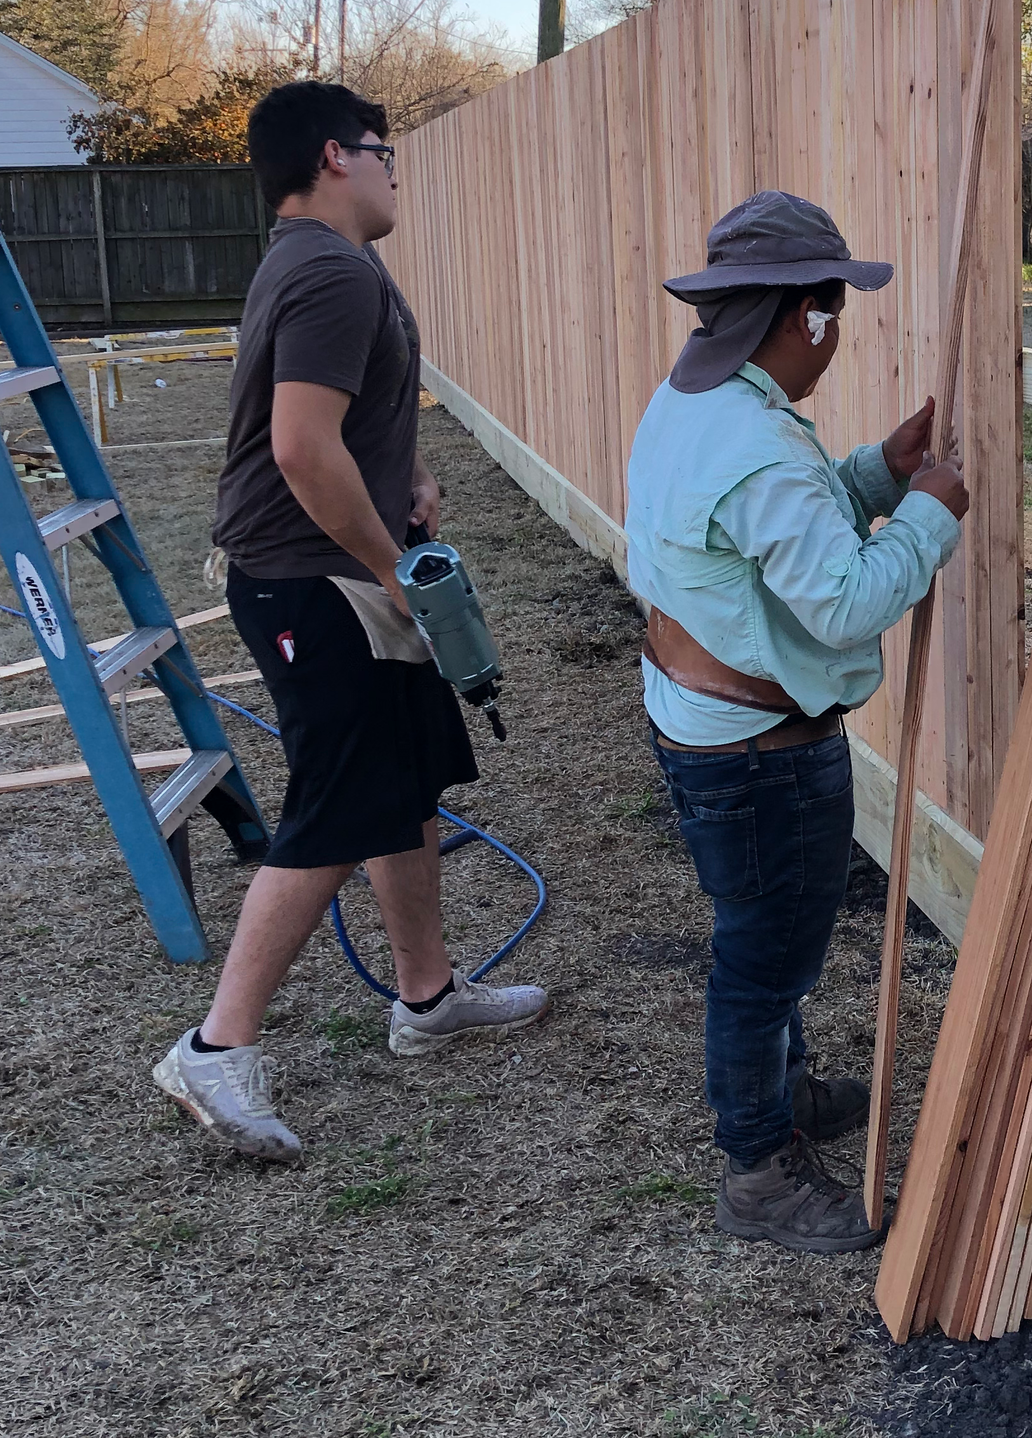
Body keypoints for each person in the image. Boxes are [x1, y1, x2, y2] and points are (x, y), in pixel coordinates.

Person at [153, 82, 547, 1163]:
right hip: (313, 584)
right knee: (334, 806)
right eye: (382, 149)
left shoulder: (327, 262)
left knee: (403, 778)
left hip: (333, 572)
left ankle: (426, 996)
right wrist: (397, 567)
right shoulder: (327, 268)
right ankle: (215, 1047)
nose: (393, 168)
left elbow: (349, 416)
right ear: (335, 155)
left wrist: (406, 470)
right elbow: (298, 447)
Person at [625, 191, 970, 1255]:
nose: (837, 333)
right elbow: (849, 599)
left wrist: (876, 472)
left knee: (764, 939)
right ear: (802, 316)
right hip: (756, 755)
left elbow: (782, 530)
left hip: (705, 724)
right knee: (763, 957)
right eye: (834, 311)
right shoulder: (756, 442)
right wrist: (931, 513)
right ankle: (759, 1171)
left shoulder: (702, 403)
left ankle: (781, 1090)